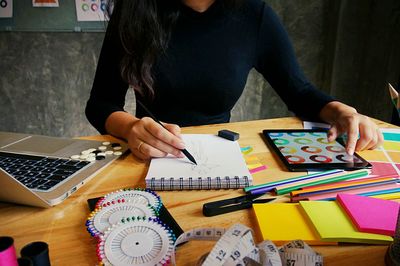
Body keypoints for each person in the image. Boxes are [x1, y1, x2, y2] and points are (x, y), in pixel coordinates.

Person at [85, 0, 383, 161]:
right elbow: (101, 104)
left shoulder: (254, 14)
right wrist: (131, 128)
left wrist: (342, 112)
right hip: (146, 157)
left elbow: (298, 91)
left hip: (220, 157)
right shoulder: (134, 11)